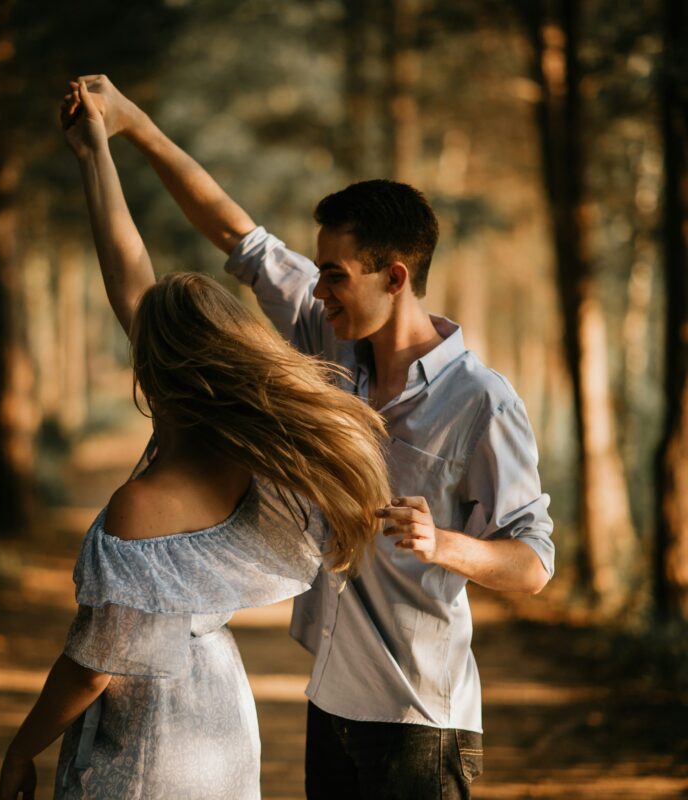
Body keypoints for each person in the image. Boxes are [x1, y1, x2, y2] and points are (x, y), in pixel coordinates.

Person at [68, 76, 556, 800]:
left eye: (333, 276)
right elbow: (238, 234)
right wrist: (133, 129)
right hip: (329, 701)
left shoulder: (481, 402)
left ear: (395, 277)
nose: (317, 292)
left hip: (419, 717)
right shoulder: (328, 340)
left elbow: (535, 562)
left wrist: (444, 544)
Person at [0, 83, 392, 800]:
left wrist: (21, 750)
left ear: (154, 366)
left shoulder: (141, 507)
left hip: (152, 741)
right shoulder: (262, 468)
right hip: (221, 715)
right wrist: (96, 157)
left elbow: (95, 666)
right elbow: (130, 276)